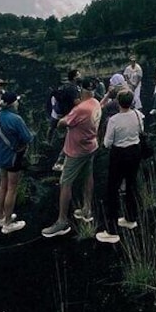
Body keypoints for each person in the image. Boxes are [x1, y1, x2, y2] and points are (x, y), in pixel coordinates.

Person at [42, 78, 103, 238]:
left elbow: (62, 123)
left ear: (81, 90)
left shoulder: (81, 109)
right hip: (91, 146)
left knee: (65, 182)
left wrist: (64, 116)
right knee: (88, 176)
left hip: (76, 151)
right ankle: (86, 209)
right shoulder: (96, 103)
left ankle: (62, 221)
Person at [97, 90, 145, 244]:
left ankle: (112, 228)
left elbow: (107, 143)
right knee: (131, 184)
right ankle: (131, 218)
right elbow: (140, 131)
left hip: (119, 154)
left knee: (113, 189)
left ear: (118, 102)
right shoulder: (138, 115)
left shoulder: (114, 120)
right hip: (135, 152)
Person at [0, 92, 32, 234]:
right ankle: (8, 223)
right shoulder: (16, 119)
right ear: (12, 104)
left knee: (3, 185)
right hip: (13, 158)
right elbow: (27, 138)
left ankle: (0, 217)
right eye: (17, 101)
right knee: (12, 188)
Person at [50, 69, 82, 172]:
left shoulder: (65, 87)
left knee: (66, 138)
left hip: (64, 116)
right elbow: (77, 103)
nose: (80, 76)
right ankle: (60, 162)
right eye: (78, 74)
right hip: (71, 116)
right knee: (70, 139)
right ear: (74, 77)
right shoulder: (73, 89)